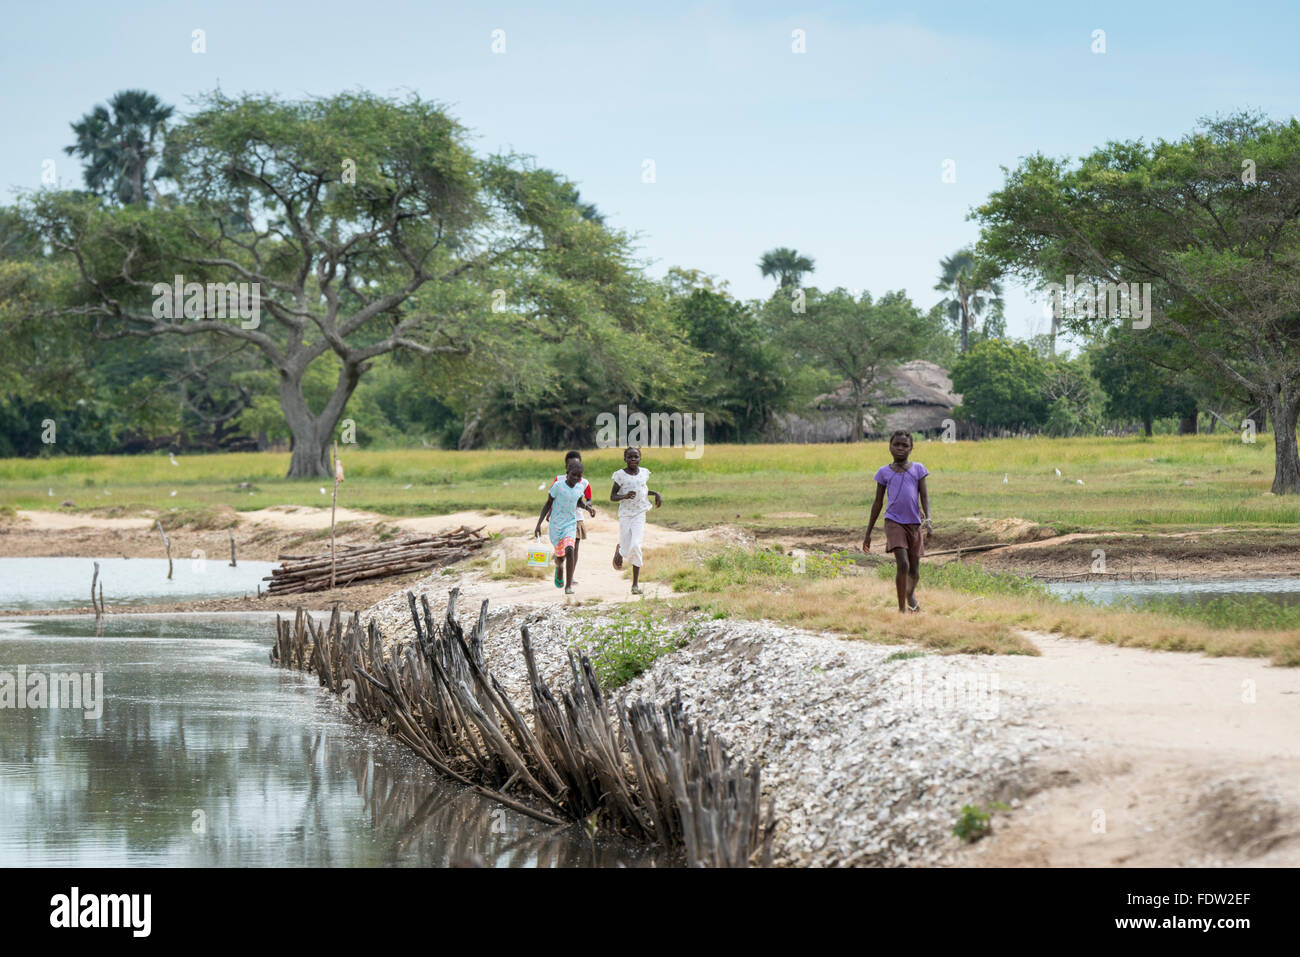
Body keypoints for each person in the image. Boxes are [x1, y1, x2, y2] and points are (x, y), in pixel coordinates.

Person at [862, 430, 932, 613]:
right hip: (893, 522)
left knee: (914, 571)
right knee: (903, 564)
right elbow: (878, 503)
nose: (900, 448)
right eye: (896, 445)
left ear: (911, 448)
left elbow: (924, 496)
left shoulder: (918, 469)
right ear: (890, 447)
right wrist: (868, 533)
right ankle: (902, 609)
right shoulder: (883, 472)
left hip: (914, 523)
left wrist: (929, 519)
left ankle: (909, 596)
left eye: (905, 445)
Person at [534, 458, 596, 595]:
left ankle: (568, 586)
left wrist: (588, 508)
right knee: (560, 555)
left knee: (570, 549)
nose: (577, 478)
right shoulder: (558, 486)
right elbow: (548, 503)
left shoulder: (580, 487)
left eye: (579, 476)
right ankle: (559, 565)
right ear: (567, 473)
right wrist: (539, 524)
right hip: (556, 525)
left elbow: (579, 502)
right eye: (574, 474)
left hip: (570, 523)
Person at [610, 446, 662, 595]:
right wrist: (624, 496)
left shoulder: (644, 473)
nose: (633, 459)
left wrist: (656, 493)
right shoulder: (620, 475)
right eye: (630, 457)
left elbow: (643, 490)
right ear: (625, 459)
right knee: (627, 549)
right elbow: (612, 496)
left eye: (636, 457)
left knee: (636, 545)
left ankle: (635, 585)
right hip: (625, 514)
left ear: (640, 458)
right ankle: (620, 550)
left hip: (640, 513)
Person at [549, 450, 592, 585]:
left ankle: (570, 576)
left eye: (577, 464)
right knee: (562, 549)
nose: (574, 467)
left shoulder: (584, 482)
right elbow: (552, 498)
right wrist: (550, 512)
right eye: (570, 465)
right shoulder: (559, 480)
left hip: (576, 518)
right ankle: (559, 565)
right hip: (560, 519)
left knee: (574, 548)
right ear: (566, 467)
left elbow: (589, 498)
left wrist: (587, 506)